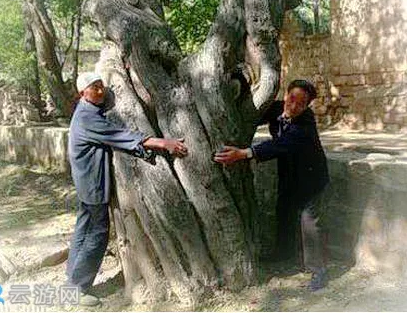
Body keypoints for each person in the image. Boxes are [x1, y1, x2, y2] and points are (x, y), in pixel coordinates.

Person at [66, 72, 188, 306]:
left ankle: (72, 280)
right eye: (94, 88)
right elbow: (121, 135)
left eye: (101, 86)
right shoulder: (86, 118)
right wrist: (164, 142)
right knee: (97, 234)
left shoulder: (88, 111)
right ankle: (78, 288)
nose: (101, 91)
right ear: (83, 93)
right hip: (93, 185)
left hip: (86, 182)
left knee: (83, 230)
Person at [213, 79, 330, 291]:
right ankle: (283, 252)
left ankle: (318, 270)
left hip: (311, 180)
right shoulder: (276, 108)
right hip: (289, 175)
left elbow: (279, 145)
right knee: (283, 210)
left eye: (300, 104)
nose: (293, 106)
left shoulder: (305, 124)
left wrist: (244, 153)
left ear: (307, 107)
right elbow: (252, 115)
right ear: (286, 94)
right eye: (291, 99)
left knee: (309, 222)